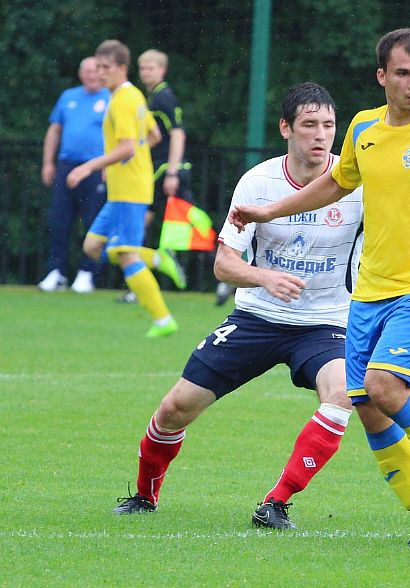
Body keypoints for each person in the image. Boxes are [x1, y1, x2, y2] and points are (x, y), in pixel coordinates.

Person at [229, 29, 410, 547]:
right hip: (368, 292)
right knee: (370, 407)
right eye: (403, 73)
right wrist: (268, 211)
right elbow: (335, 184)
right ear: (382, 76)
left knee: (384, 386)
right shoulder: (363, 127)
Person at [112, 83, 366, 529]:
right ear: (285, 128)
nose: (321, 134)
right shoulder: (258, 182)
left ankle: (276, 503)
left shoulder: (358, 185)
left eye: (328, 125)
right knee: (175, 408)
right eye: (309, 124)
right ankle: (145, 496)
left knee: (341, 393)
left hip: (326, 323)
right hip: (257, 317)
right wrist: (265, 277)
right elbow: (224, 264)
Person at [66, 39, 180, 338]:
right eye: (97, 66)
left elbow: (128, 147)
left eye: (106, 67)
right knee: (92, 247)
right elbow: (153, 135)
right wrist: (120, 161)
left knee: (126, 255)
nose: (100, 73)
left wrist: (90, 166)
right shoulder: (133, 95)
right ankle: (156, 258)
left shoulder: (122, 101)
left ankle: (163, 319)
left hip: (130, 190)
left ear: (121, 67)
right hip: (123, 189)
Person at [116, 49, 191, 305]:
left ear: (162, 70)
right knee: (141, 227)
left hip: (164, 171)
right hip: (156, 171)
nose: (146, 72)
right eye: (143, 68)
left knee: (186, 228)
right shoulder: (151, 97)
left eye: (151, 68)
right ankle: (140, 284)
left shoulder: (163, 97)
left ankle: (227, 274)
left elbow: (178, 134)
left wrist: (172, 171)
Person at [38, 57, 110, 294]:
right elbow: (54, 130)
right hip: (67, 165)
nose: (91, 75)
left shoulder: (110, 97)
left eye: (95, 70)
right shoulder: (68, 96)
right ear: (81, 74)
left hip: (96, 168)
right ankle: (56, 271)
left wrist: (109, 165)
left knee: (93, 222)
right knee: (59, 220)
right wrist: (48, 162)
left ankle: (87, 272)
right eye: (87, 71)